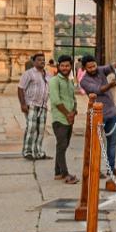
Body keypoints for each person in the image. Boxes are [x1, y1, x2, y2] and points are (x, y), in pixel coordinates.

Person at [78, 55, 116, 174]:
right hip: (98, 115)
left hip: (111, 113)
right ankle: (95, 169)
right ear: (84, 68)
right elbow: (98, 90)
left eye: (94, 66)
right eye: (89, 67)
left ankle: (111, 169)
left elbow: (109, 67)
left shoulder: (100, 70)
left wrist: (115, 67)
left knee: (112, 143)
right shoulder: (84, 81)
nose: (93, 68)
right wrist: (111, 85)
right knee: (96, 144)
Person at [49, 55, 79, 183]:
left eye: (67, 66)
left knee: (63, 146)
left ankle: (57, 173)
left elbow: (73, 99)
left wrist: (73, 111)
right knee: (61, 145)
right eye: (62, 66)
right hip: (60, 119)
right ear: (58, 66)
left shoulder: (70, 81)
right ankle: (65, 174)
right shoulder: (54, 81)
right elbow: (56, 100)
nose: (65, 68)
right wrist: (68, 113)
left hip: (69, 118)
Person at [17, 53, 50, 160]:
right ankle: (27, 151)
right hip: (31, 104)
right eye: (39, 60)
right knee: (31, 128)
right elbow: (20, 88)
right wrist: (22, 104)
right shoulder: (29, 74)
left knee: (40, 130)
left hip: (43, 105)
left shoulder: (47, 75)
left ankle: (38, 151)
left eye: (43, 60)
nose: (42, 62)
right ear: (34, 62)